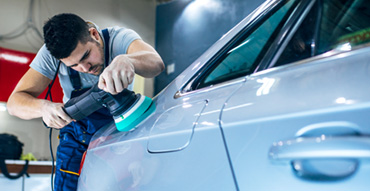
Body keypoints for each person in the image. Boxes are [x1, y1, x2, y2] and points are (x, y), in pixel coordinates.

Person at [7, 13, 164, 191]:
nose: (85, 68)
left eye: (86, 56)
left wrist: (127, 60)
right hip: (77, 135)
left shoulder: (119, 38)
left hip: (119, 132)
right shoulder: (50, 55)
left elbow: (156, 63)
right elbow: (14, 102)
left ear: (94, 34)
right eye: (73, 66)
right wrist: (43, 108)